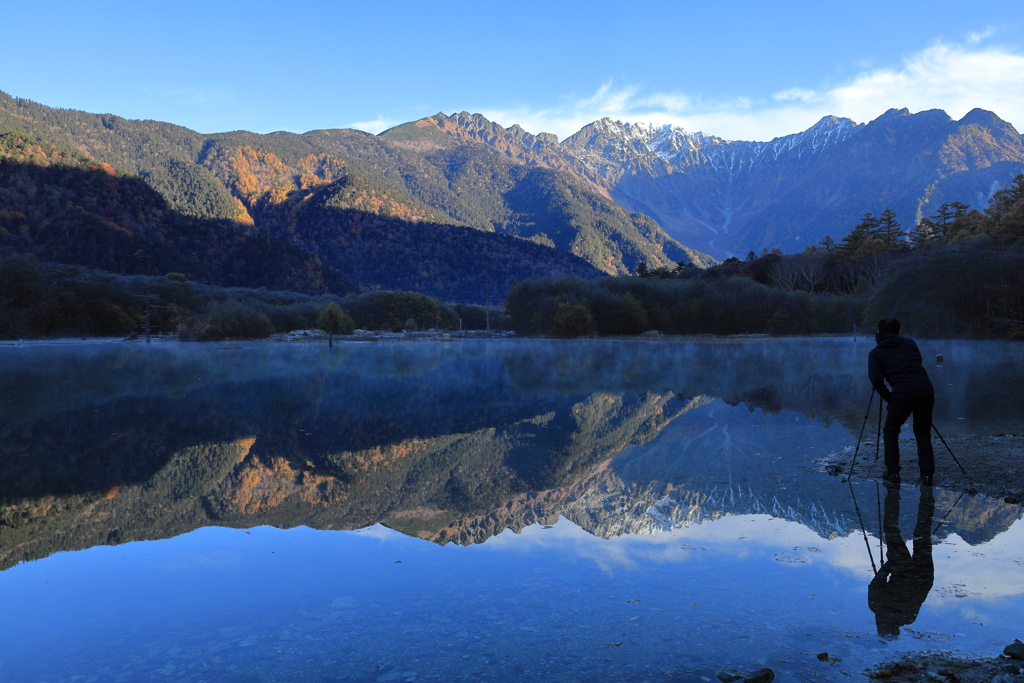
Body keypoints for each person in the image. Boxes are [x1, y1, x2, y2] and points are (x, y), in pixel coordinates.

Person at [868, 319, 935, 486]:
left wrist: (889, 397)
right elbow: (917, 363)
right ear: (898, 332)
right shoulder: (910, 343)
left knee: (891, 431)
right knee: (923, 433)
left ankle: (893, 473)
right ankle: (927, 475)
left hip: (902, 393)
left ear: (879, 333)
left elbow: (875, 379)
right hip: (925, 389)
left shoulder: (876, 353)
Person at [868, 484, 935, 638]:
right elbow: (876, 582)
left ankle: (927, 498)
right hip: (903, 571)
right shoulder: (876, 607)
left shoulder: (909, 618)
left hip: (923, 576)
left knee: (923, 536)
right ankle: (892, 496)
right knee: (891, 531)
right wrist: (891, 562)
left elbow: (920, 593)